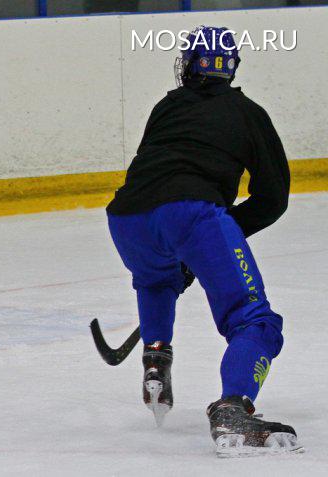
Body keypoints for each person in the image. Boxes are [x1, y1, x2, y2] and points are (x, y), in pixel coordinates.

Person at [106, 26, 300, 456]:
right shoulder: (249, 113)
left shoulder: (167, 105)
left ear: (189, 65)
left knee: (157, 280)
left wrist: (194, 250)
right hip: (191, 214)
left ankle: (156, 358)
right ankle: (234, 407)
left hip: (126, 219)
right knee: (255, 322)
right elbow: (272, 198)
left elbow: (153, 169)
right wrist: (212, 239)